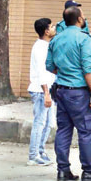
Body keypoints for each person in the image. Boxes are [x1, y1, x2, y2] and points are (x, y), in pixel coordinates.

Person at [46, 6, 91, 181]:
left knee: (64, 131)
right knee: (87, 131)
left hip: (61, 91)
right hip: (79, 92)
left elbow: (50, 66)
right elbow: (88, 69)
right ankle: (89, 170)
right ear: (80, 20)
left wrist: (66, 71)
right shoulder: (84, 39)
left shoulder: (55, 40)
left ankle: (63, 170)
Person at [27, 18, 56, 166]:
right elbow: (41, 72)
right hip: (41, 91)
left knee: (49, 123)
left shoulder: (46, 46)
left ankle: (40, 150)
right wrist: (46, 93)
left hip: (47, 90)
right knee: (39, 123)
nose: (53, 28)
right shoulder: (40, 47)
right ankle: (33, 156)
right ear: (46, 31)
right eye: (51, 27)